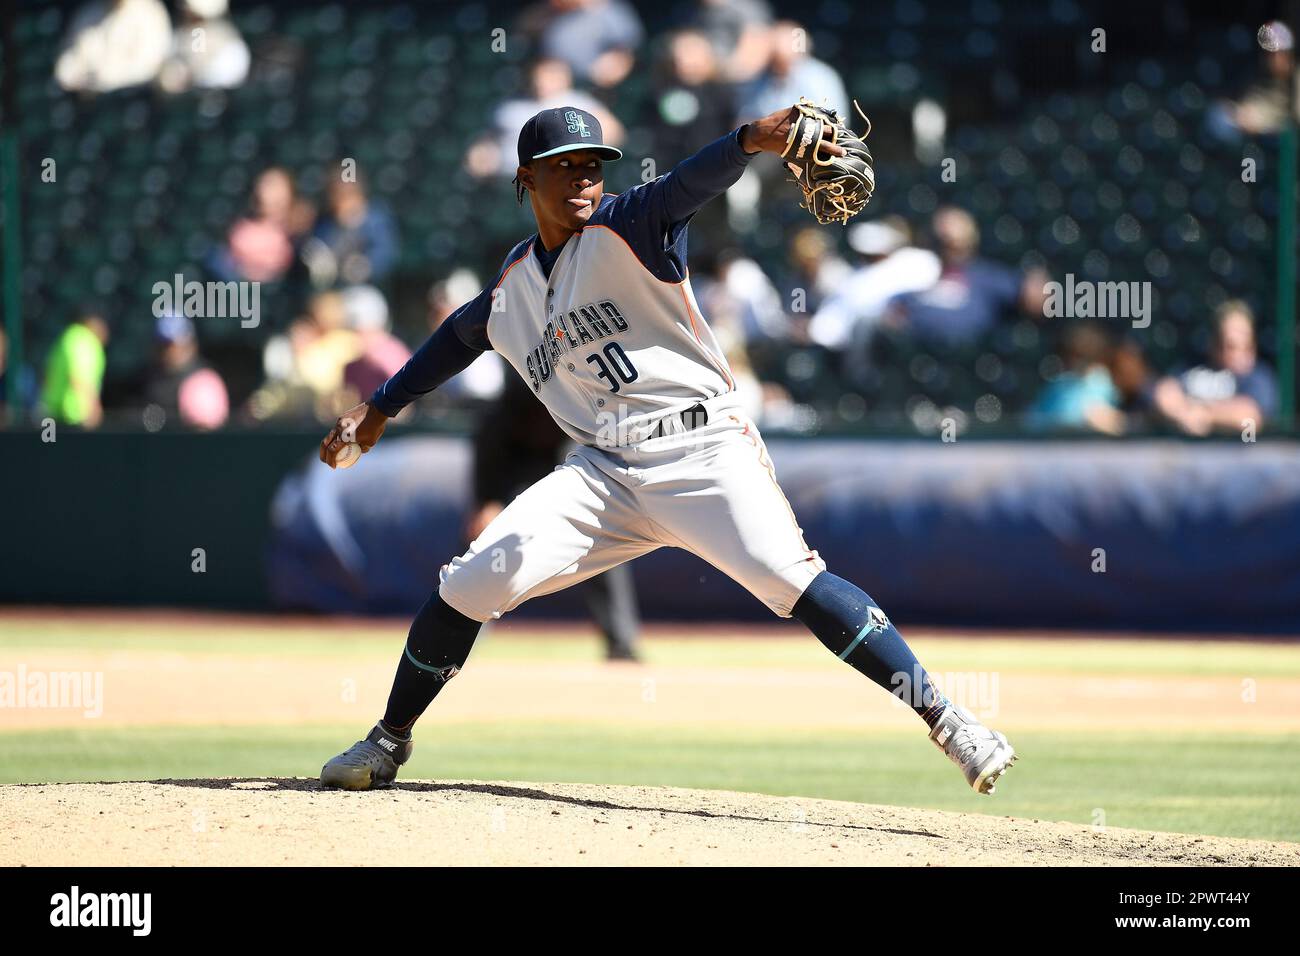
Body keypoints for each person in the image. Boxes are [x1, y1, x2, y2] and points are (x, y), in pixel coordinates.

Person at [316, 104, 1017, 795]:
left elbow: (691, 182)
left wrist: (749, 140)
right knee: (469, 585)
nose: (584, 179)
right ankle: (386, 742)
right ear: (525, 180)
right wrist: (379, 409)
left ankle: (949, 720)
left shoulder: (632, 224)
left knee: (792, 579)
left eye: (592, 165)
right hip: (602, 474)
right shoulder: (514, 285)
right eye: (564, 168)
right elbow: (459, 337)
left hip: (702, 450)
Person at [470, 374, 643, 661]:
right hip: (519, 473)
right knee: (491, 542)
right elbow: (490, 442)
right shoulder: (518, 392)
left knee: (603, 541)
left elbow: (590, 449)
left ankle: (621, 644)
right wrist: (486, 501)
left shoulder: (583, 393)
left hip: (572, 464)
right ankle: (462, 631)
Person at [888, 206, 1046, 347]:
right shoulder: (909, 272)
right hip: (917, 357)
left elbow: (1036, 296)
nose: (947, 249)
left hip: (975, 362)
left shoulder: (988, 276)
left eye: (955, 244)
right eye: (941, 242)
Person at [1152, 301, 1279, 436]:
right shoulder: (1194, 368)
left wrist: (1204, 414)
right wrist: (1183, 413)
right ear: (1214, 344)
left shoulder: (1259, 377)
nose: (1238, 354)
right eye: (1230, 346)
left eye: (1246, 346)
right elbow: (1164, 392)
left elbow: (1249, 417)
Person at [55, 0, 172, 94]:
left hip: (133, 93)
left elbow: (148, 65)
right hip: (96, 92)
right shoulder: (90, 12)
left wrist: (104, 77)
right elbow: (71, 61)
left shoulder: (151, 13)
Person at [41, 309, 110, 428]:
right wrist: (92, 410)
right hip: (74, 418)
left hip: (54, 414)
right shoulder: (83, 340)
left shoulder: (68, 337)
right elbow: (79, 378)